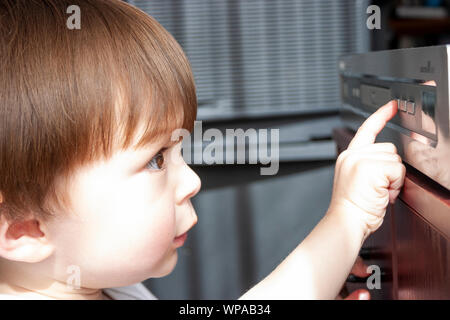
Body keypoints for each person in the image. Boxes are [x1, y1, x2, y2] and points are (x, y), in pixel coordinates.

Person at [0, 0, 405, 300]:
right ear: (26, 229)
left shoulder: (106, 286)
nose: (193, 180)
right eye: (156, 159)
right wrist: (347, 218)